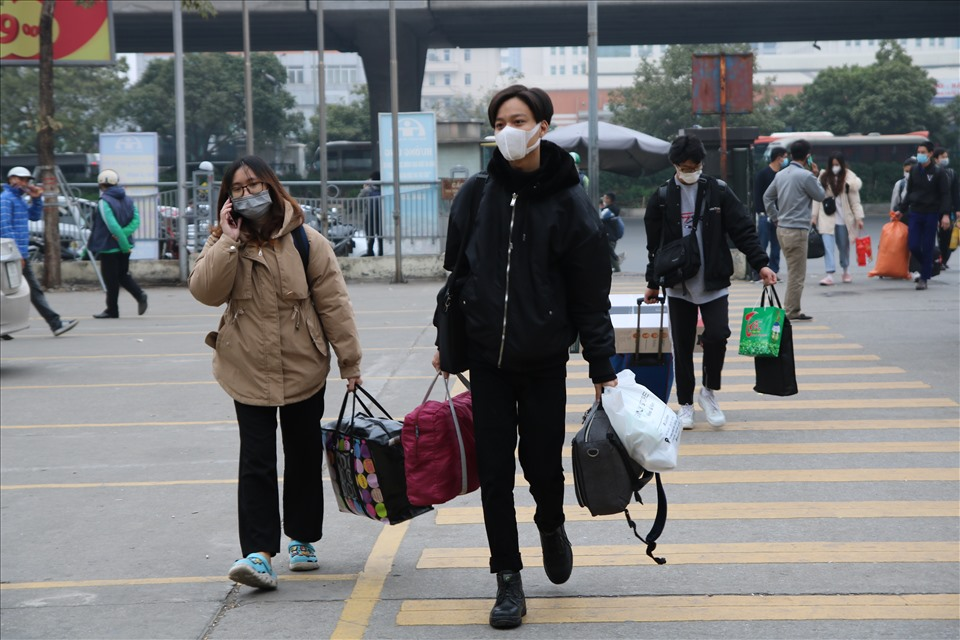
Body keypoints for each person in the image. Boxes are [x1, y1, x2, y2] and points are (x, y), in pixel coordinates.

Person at [432, 85, 616, 630]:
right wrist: (448, 341)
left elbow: (590, 295)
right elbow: (458, 273)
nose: (508, 131)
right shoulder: (477, 193)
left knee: (541, 467)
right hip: (486, 362)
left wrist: (601, 366)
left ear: (542, 127)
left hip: (543, 361)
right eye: (499, 122)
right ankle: (507, 579)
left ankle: (551, 525)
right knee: (494, 473)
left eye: (518, 120)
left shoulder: (570, 202)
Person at [188, 155, 363, 591]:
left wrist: (350, 362)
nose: (247, 194)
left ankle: (302, 538)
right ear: (227, 199)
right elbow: (205, 292)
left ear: (271, 185)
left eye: (254, 185)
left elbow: (334, 303)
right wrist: (228, 240)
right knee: (257, 460)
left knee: (302, 455)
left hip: (304, 363)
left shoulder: (306, 239)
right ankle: (259, 554)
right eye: (237, 189)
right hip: (246, 366)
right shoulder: (223, 242)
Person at [644, 135, 776, 430]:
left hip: (713, 279)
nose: (690, 171)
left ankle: (708, 392)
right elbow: (655, 247)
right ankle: (685, 404)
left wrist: (761, 264)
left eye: (695, 166)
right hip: (678, 283)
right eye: (685, 167)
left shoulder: (718, 191)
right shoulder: (662, 196)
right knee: (682, 346)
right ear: (675, 165)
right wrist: (653, 281)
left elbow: (743, 229)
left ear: (702, 163)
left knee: (718, 335)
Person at [0, 166, 78, 337]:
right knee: (32, 291)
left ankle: (6, 329)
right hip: (11, 255)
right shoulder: (6, 199)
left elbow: (34, 216)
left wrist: (36, 199)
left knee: (12, 292)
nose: (25, 183)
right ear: (11, 180)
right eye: (21, 179)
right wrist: (16, 255)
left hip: (16, 255)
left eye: (26, 180)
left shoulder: (18, 199)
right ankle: (55, 323)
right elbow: (5, 228)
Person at [763, 139, 826, 321]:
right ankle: (792, 311)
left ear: (791, 155)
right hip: (797, 230)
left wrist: (775, 217)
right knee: (796, 273)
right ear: (808, 156)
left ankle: (792, 308)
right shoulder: (806, 176)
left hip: (782, 229)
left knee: (793, 270)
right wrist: (815, 175)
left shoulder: (780, 175)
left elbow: (767, 197)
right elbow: (820, 195)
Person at [89, 169, 148, 318]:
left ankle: (112, 310)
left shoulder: (104, 201)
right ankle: (140, 295)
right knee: (123, 275)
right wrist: (125, 239)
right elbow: (136, 220)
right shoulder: (128, 200)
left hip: (109, 247)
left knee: (111, 280)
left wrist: (121, 241)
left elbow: (112, 226)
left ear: (101, 185)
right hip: (125, 246)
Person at [901, 141, 951, 290]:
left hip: (931, 213)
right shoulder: (914, 170)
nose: (920, 155)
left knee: (928, 245)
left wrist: (945, 214)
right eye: (919, 152)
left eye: (923, 152)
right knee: (913, 245)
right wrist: (901, 209)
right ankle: (928, 265)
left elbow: (945, 195)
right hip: (915, 212)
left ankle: (924, 278)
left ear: (930, 154)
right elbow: (909, 192)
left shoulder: (938, 172)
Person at [811, 153, 864, 285]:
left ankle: (846, 270)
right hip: (826, 218)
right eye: (833, 164)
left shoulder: (849, 179)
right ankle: (829, 274)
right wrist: (814, 216)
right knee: (828, 247)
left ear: (842, 164)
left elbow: (855, 202)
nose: (835, 167)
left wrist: (859, 218)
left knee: (843, 247)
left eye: (837, 164)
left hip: (843, 219)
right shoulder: (824, 177)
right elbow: (817, 199)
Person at [752, 146, 787, 275]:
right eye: (784, 157)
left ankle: (774, 271)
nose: (785, 160)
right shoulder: (763, 174)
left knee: (776, 245)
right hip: (765, 215)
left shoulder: (782, 175)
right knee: (763, 244)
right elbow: (758, 195)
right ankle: (760, 271)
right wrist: (761, 212)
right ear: (778, 158)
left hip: (779, 215)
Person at [933, 147, 959, 268]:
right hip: (933, 208)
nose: (945, 159)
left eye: (946, 157)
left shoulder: (951, 173)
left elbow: (955, 193)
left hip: (948, 209)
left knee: (947, 236)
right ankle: (937, 260)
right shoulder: (931, 173)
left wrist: (958, 209)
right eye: (942, 157)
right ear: (936, 159)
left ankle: (943, 259)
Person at [600, 192, 624, 272]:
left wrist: (601, 207)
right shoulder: (614, 209)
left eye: (605, 198)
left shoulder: (608, 210)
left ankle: (617, 269)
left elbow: (599, 216)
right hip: (613, 235)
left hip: (609, 235)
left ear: (609, 199)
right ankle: (616, 261)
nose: (604, 199)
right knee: (608, 253)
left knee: (610, 254)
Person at [360, 170, 383, 257]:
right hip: (381, 215)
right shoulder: (384, 189)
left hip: (370, 215)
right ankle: (381, 252)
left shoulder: (368, 190)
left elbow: (359, 199)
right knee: (380, 234)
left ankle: (370, 251)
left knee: (370, 234)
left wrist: (364, 187)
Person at [890, 157, 917, 221]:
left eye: (910, 171)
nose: (908, 174)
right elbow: (894, 203)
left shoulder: (923, 183)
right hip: (903, 218)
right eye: (906, 171)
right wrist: (892, 217)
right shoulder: (900, 184)